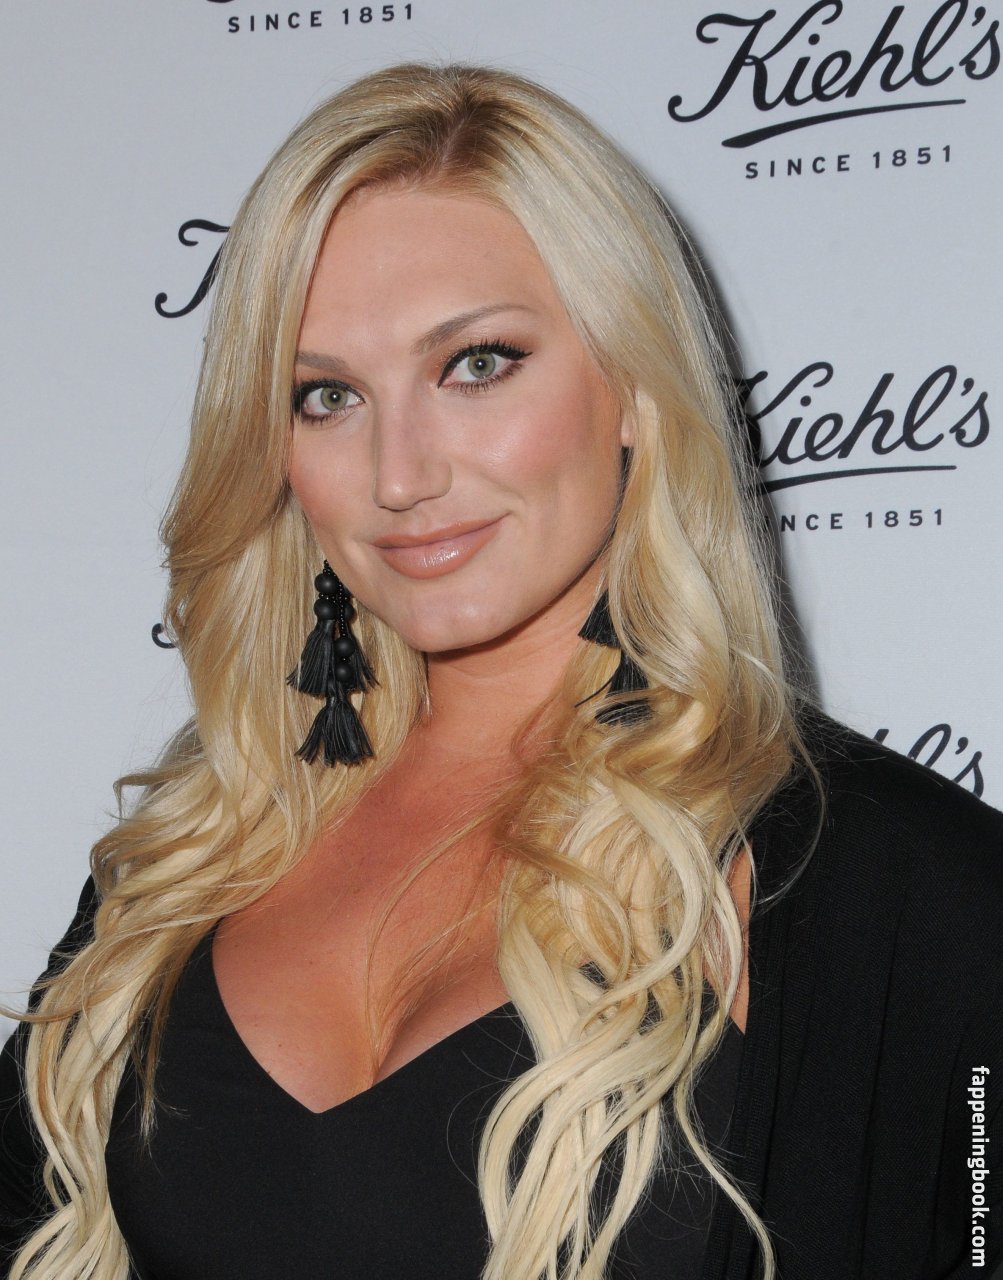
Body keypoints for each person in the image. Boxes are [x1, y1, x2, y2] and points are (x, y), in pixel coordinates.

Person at [1, 61, 1000, 1280]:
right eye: (325, 394)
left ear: (631, 383)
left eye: (476, 363)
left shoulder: (899, 885)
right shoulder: (203, 843)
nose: (399, 474)